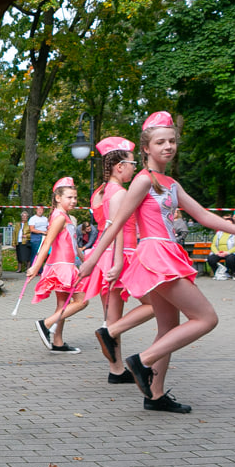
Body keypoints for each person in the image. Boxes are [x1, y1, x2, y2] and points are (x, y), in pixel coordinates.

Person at [79, 112, 235, 413]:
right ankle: (141, 362)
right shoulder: (143, 180)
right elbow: (116, 223)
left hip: (164, 256)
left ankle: (154, 396)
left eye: (172, 141)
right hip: (156, 256)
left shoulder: (169, 182)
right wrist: (92, 260)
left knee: (169, 327)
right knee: (206, 318)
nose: (168, 146)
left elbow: (205, 216)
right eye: (160, 142)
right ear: (146, 148)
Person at [82, 137, 154, 384]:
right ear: (119, 166)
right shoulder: (120, 193)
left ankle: (116, 371)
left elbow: (104, 227)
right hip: (121, 254)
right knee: (154, 304)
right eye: (133, 163)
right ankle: (109, 334)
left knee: (113, 313)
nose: (135, 168)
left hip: (105, 255)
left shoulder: (100, 192)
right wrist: (119, 262)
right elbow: (119, 227)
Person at [29, 177, 88, 354]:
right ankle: (45, 324)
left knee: (63, 304)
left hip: (66, 264)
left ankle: (58, 342)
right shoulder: (60, 217)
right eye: (69, 197)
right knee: (82, 301)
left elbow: (73, 245)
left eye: (75, 197)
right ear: (58, 198)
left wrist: (88, 262)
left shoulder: (65, 216)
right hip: (63, 266)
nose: (74, 201)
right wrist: (35, 267)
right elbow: (47, 243)